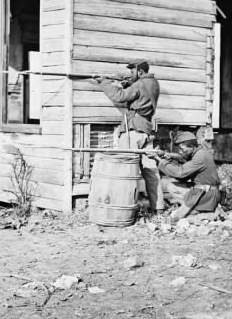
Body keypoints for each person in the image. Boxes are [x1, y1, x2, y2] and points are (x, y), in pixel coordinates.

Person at [94, 60, 164, 214]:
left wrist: (104, 82)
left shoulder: (139, 85)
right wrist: (127, 84)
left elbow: (119, 96)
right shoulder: (153, 83)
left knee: (126, 170)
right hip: (146, 130)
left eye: (133, 72)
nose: (130, 74)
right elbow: (139, 98)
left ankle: (124, 208)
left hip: (133, 131)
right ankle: (158, 208)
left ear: (140, 72)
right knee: (151, 171)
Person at [147, 131, 221, 220]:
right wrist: (165, 154)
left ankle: (204, 210)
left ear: (191, 147)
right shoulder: (200, 152)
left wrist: (158, 159)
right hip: (205, 192)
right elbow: (184, 160)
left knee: (175, 217)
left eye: (182, 149)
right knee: (172, 186)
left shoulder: (200, 157)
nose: (180, 151)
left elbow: (180, 173)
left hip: (207, 195)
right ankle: (199, 209)